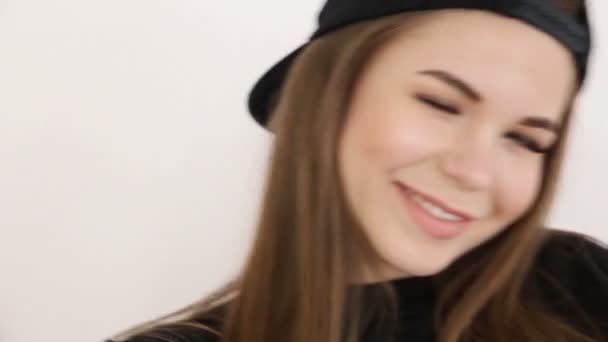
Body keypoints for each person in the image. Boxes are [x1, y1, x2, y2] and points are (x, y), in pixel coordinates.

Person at [108, 1, 608, 341]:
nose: (475, 171)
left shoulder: (577, 285)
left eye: (525, 140)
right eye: (440, 103)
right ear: (328, 96)